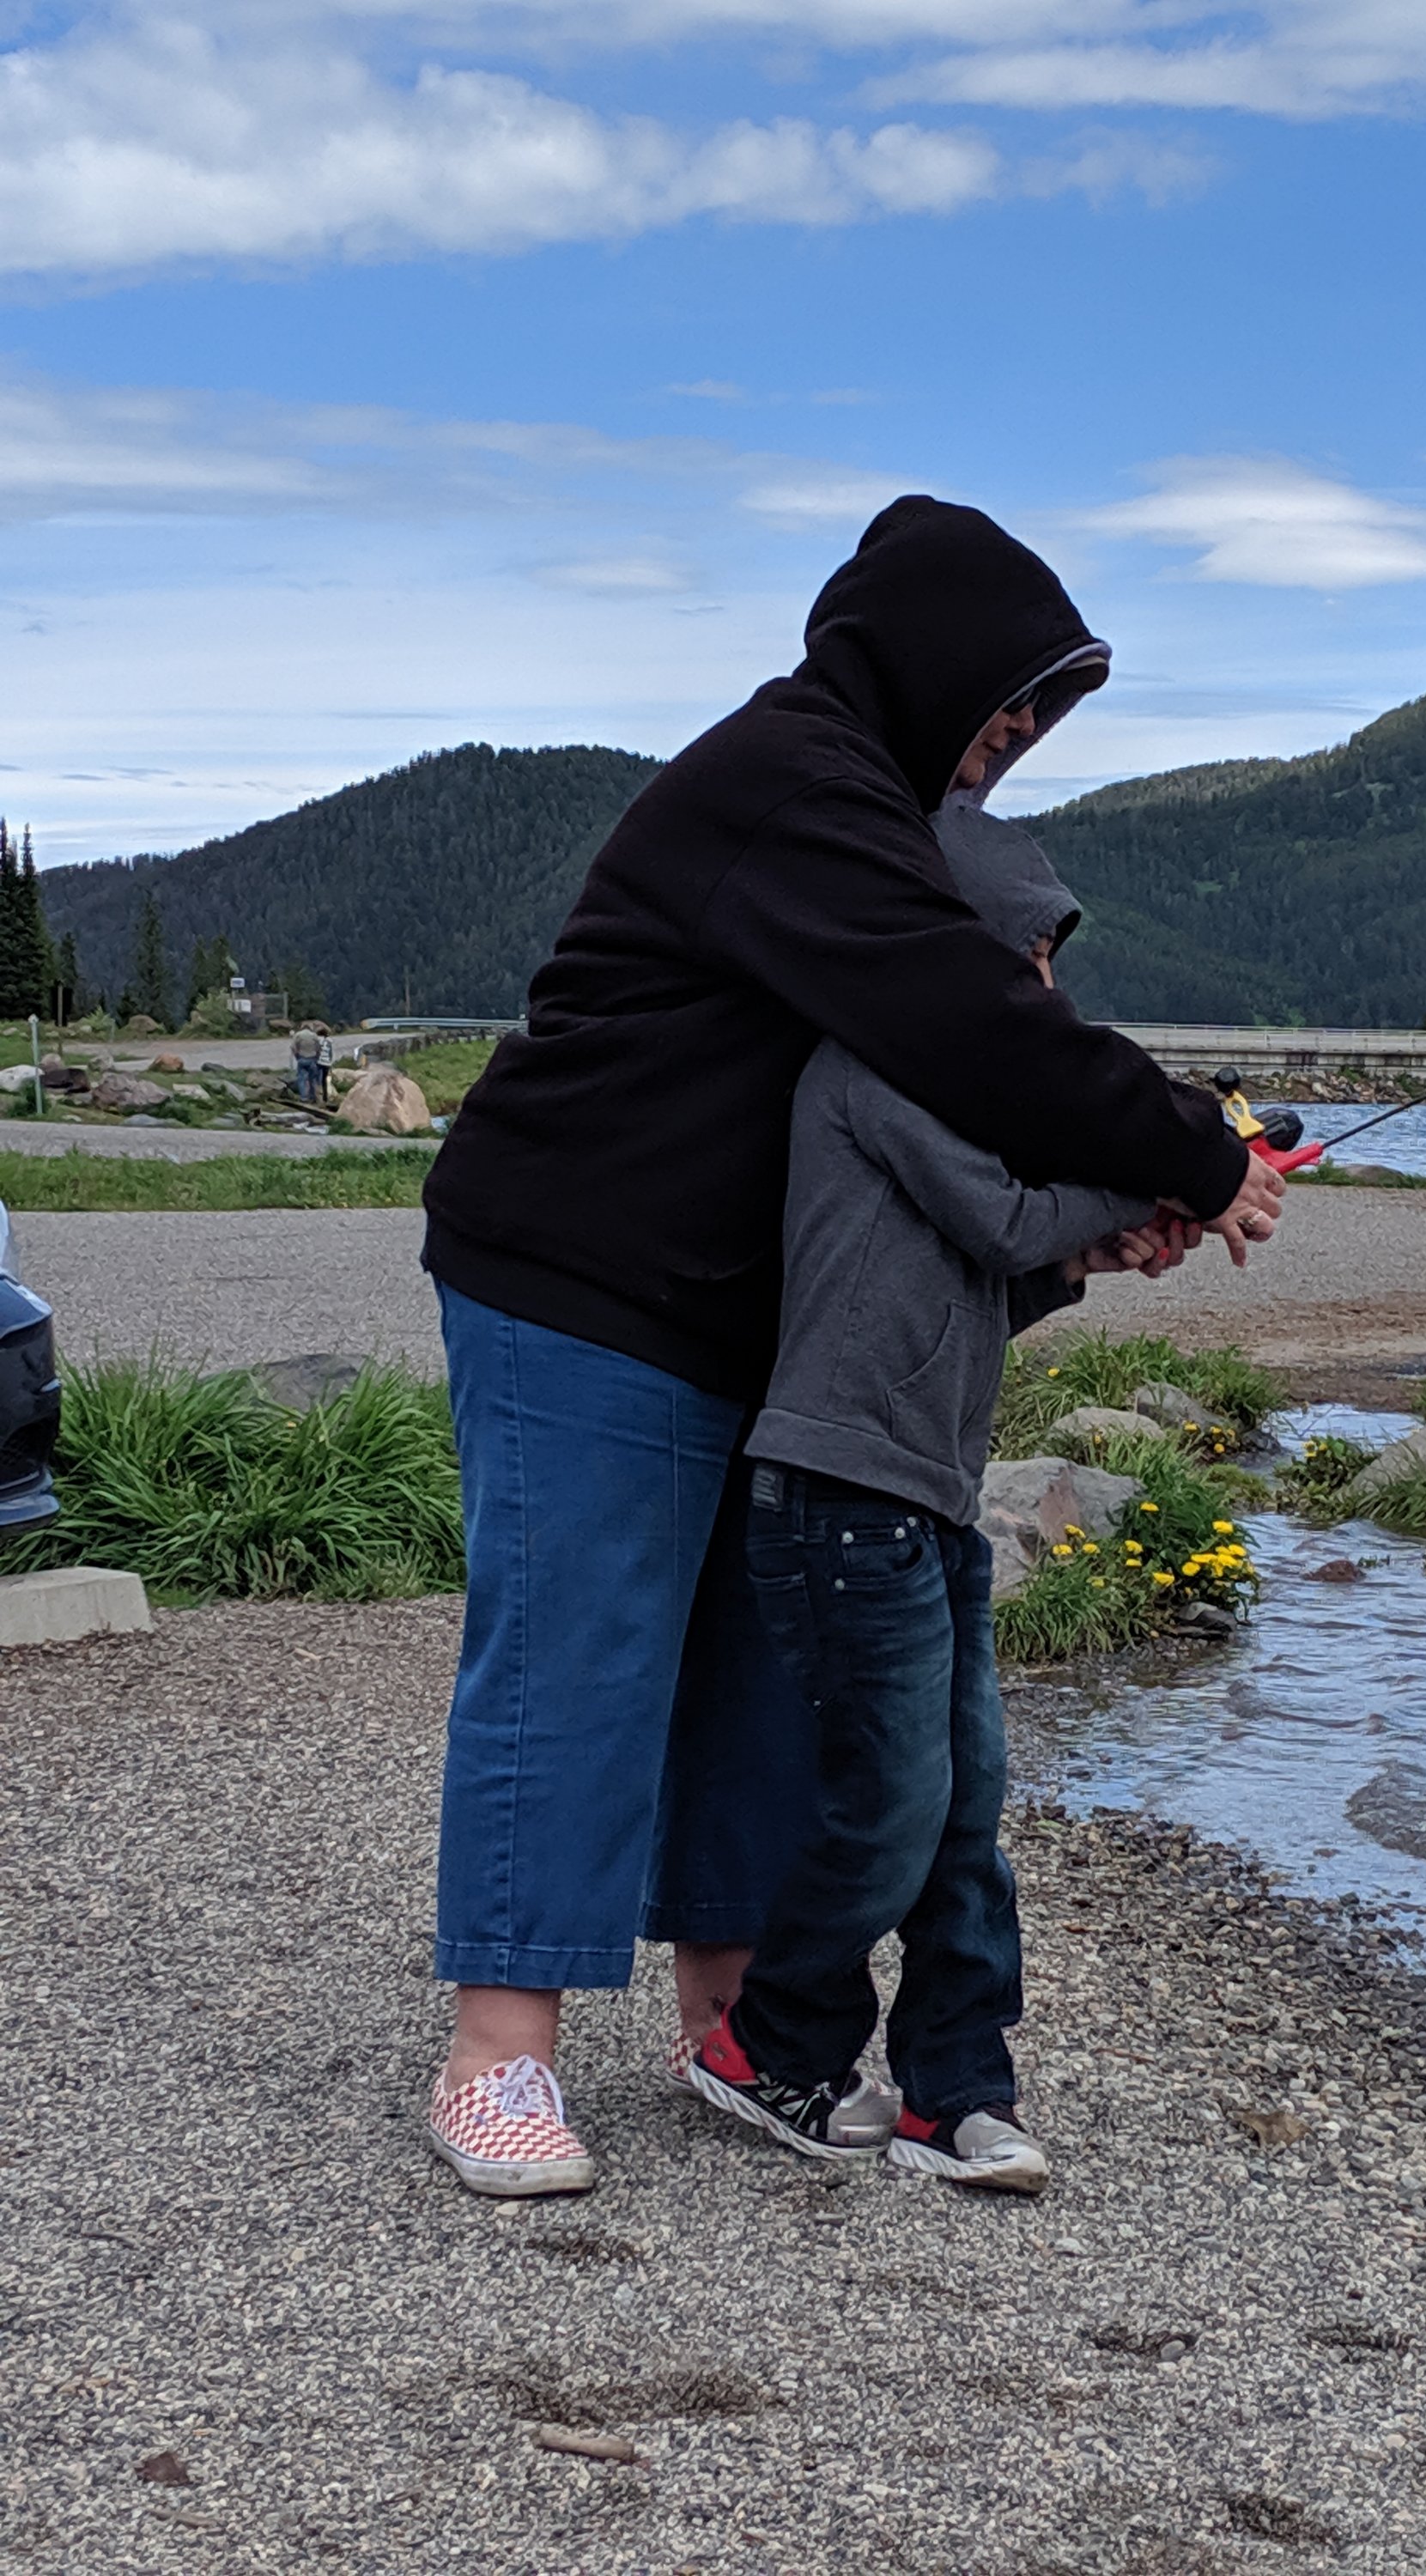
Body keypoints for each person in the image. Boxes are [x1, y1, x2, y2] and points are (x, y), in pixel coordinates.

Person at [418, 495, 1283, 2197]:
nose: (1015, 734)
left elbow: (935, 1156)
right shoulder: (795, 781)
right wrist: (1194, 1145)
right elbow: (971, 1027)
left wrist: (1086, 1231)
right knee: (577, 1661)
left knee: (754, 1680)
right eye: (1010, 697)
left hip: (744, 1311)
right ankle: (496, 2057)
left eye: (1041, 714)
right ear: (927, 658)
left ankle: (733, 2024)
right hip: (573, 1268)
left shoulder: (873, 812)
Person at [691, 800, 1175, 2192]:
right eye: (1023, 956)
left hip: (928, 1503)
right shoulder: (870, 1069)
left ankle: (955, 2092)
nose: (1042, 990)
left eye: (1049, 961)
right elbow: (1008, 1219)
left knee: (966, 1816)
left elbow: (988, 1280)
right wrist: (1151, 1181)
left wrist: (1094, 1257)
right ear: (943, 943)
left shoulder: (948, 1099)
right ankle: (765, 2045)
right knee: (896, 1804)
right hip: (835, 1499)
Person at [289, 1021, 323, 1105]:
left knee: (302, 1079)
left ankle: (304, 1097)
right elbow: (318, 1048)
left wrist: (297, 1056)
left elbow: (293, 1047)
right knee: (312, 1079)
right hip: (312, 1059)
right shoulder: (314, 1035)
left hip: (302, 1058)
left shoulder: (298, 1035)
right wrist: (317, 1057)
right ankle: (312, 1096)